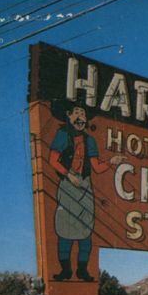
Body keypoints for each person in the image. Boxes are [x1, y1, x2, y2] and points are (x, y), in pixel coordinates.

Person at [48, 99, 125, 282]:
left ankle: (82, 270)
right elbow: (53, 159)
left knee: (86, 230)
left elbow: (96, 167)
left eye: (83, 114)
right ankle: (65, 270)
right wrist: (69, 174)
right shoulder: (62, 134)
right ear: (69, 115)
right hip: (68, 184)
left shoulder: (89, 140)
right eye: (77, 113)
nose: (81, 118)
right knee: (64, 228)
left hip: (85, 185)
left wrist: (111, 162)